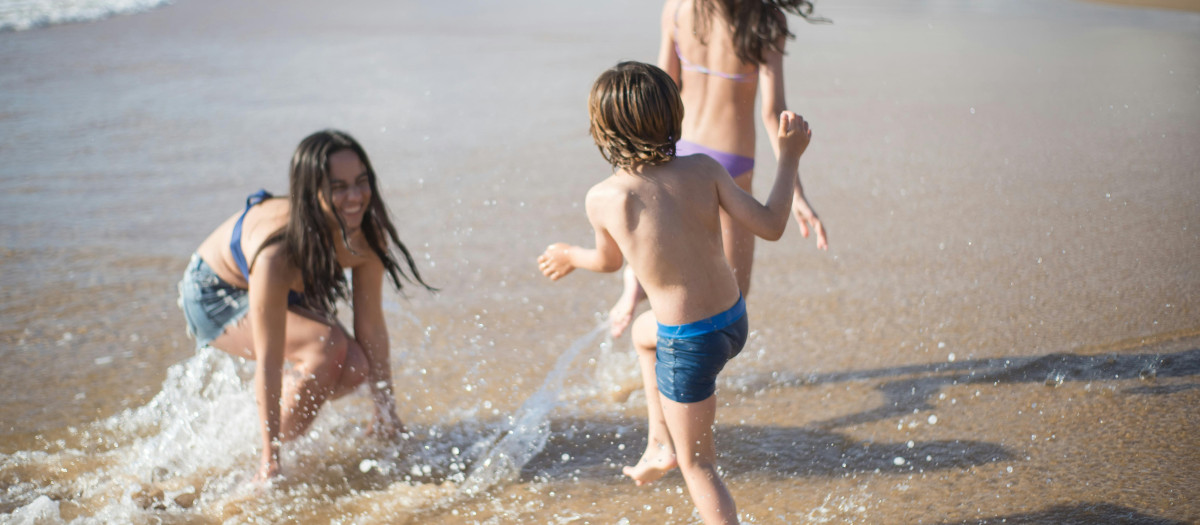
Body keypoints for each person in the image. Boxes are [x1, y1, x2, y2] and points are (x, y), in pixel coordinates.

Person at [538, 62, 811, 525]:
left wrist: (569, 255)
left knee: (700, 466)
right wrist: (788, 159)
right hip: (732, 320)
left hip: (689, 344)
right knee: (645, 336)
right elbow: (771, 224)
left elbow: (606, 261)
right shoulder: (705, 169)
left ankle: (677, 458)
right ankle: (658, 442)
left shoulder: (607, 198)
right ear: (674, 115)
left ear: (600, 130)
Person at [177, 130, 434, 481]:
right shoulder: (276, 256)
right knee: (324, 348)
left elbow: (371, 325)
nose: (355, 196)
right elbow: (268, 360)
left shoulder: (367, 235)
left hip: (296, 275)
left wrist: (386, 409)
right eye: (338, 187)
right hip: (216, 290)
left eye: (362, 182)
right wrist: (271, 459)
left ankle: (280, 415)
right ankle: (257, 463)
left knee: (354, 366)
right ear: (310, 193)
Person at [607, 0, 829, 337]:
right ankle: (657, 338)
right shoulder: (767, 21)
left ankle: (636, 282)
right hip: (730, 164)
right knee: (732, 296)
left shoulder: (679, 9)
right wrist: (795, 192)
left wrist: (641, 164)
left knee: (677, 262)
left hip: (676, 151)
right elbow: (773, 113)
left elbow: (661, 91)